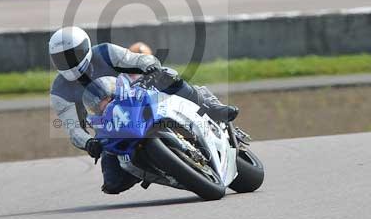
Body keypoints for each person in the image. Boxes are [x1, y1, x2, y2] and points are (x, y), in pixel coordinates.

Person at [49, 26, 238, 194]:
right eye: (61, 58)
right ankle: (157, 169)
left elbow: (137, 59)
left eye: (72, 54)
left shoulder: (105, 52)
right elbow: (73, 128)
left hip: (134, 98)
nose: (68, 62)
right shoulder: (59, 91)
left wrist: (150, 66)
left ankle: (212, 108)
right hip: (109, 127)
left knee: (167, 76)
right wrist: (89, 142)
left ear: (85, 48)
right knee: (113, 184)